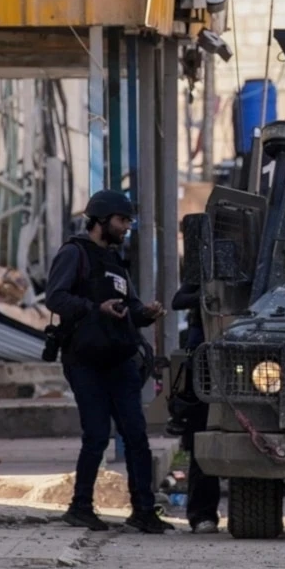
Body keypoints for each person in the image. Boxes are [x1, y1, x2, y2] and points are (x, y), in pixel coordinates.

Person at [45, 189, 173, 534]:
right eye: (122, 220)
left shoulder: (115, 262)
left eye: (129, 220)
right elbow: (55, 297)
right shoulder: (75, 254)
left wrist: (144, 313)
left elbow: (127, 305)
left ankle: (144, 510)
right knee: (97, 435)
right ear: (101, 220)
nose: (127, 226)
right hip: (84, 360)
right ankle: (80, 507)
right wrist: (92, 308)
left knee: (136, 435)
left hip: (118, 358)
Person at [168, 279, 223, 534]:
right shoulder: (206, 272)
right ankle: (202, 514)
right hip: (203, 370)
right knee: (201, 440)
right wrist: (209, 293)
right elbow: (179, 300)